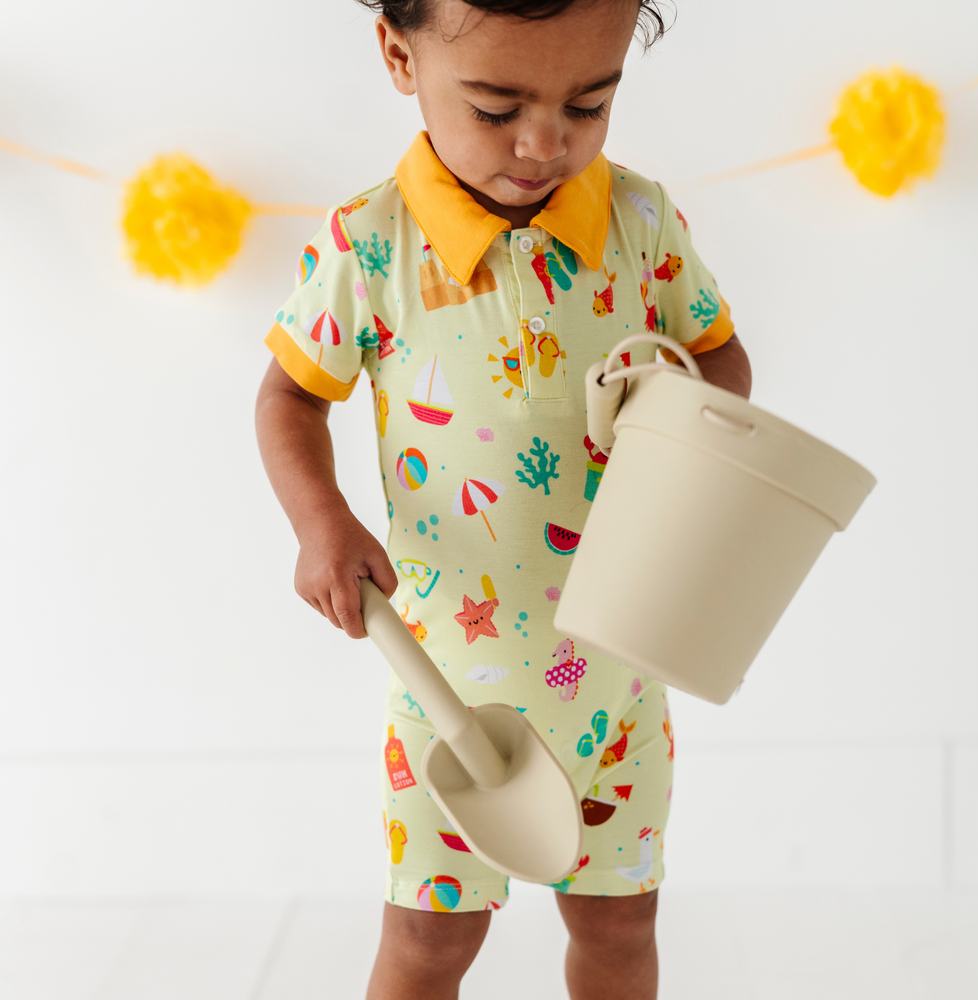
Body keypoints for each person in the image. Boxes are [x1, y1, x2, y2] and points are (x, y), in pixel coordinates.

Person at [255, 1, 751, 997]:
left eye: (589, 102)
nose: (543, 143)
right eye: (495, 106)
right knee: (431, 942)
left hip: (620, 672)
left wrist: (675, 425)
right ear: (399, 55)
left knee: (621, 925)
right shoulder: (370, 243)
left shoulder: (638, 222)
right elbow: (288, 396)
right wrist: (322, 523)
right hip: (451, 693)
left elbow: (720, 360)